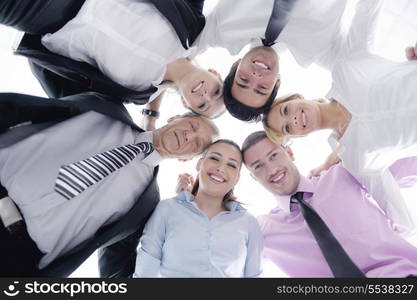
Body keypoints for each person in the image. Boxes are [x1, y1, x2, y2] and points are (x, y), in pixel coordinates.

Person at [0, 91, 219, 277]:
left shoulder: (147, 204)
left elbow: (117, 266)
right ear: (174, 118)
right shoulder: (106, 108)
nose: (189, 136)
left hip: (18, 254)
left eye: (197, 143)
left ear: (187, 159)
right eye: (192, 125)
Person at [263, 0, 417, 232]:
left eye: (286, 111)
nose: (292, 120)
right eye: (286, 128)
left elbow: (367, 9)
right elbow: (397, 212)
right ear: (296, 137)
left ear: (296, 96)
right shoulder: (355, 158)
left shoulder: (346, 67)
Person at [0, 0, 225, 125]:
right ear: (215, 73)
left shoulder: (137, 93)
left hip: (44, 17)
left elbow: (73, 98)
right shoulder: (193, 24)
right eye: (216, 92)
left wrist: (150, 121)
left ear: (187, 104)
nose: (205, 95)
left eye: (202, 105)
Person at [242, 131, 417, 277]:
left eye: (274, 156)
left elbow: (402, 168)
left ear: (289, 153)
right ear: (253, 176)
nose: (271, 170)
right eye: (258, 166)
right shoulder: (264, 231)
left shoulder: (342, 174)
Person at [196, 0, 349, 121]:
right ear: (277, 82)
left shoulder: (223, 28)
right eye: (262, 88)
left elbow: (182, 50)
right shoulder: (321, 50)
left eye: (243, 79)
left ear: (235, 65)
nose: (256, 76)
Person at [133, 140, 263, 277]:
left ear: (237, 178)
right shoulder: (167, 208)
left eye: (231, 165)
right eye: (214, 158)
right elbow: (145, 270)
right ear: (199, 164)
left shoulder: (249, 223)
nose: (221, 168)